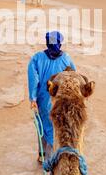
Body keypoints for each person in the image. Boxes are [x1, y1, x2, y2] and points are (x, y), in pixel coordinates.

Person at [27, 31, 76, 164]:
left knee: (42, 127)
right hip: (60, 102)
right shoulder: (66, 58)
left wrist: (33, 99)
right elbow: (73, 79)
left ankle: (44, 157)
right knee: (54, 129)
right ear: (59, 43)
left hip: (42, 101)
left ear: (47, 42)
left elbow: (33, 79)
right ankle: (49, 159)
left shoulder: (37, 58)